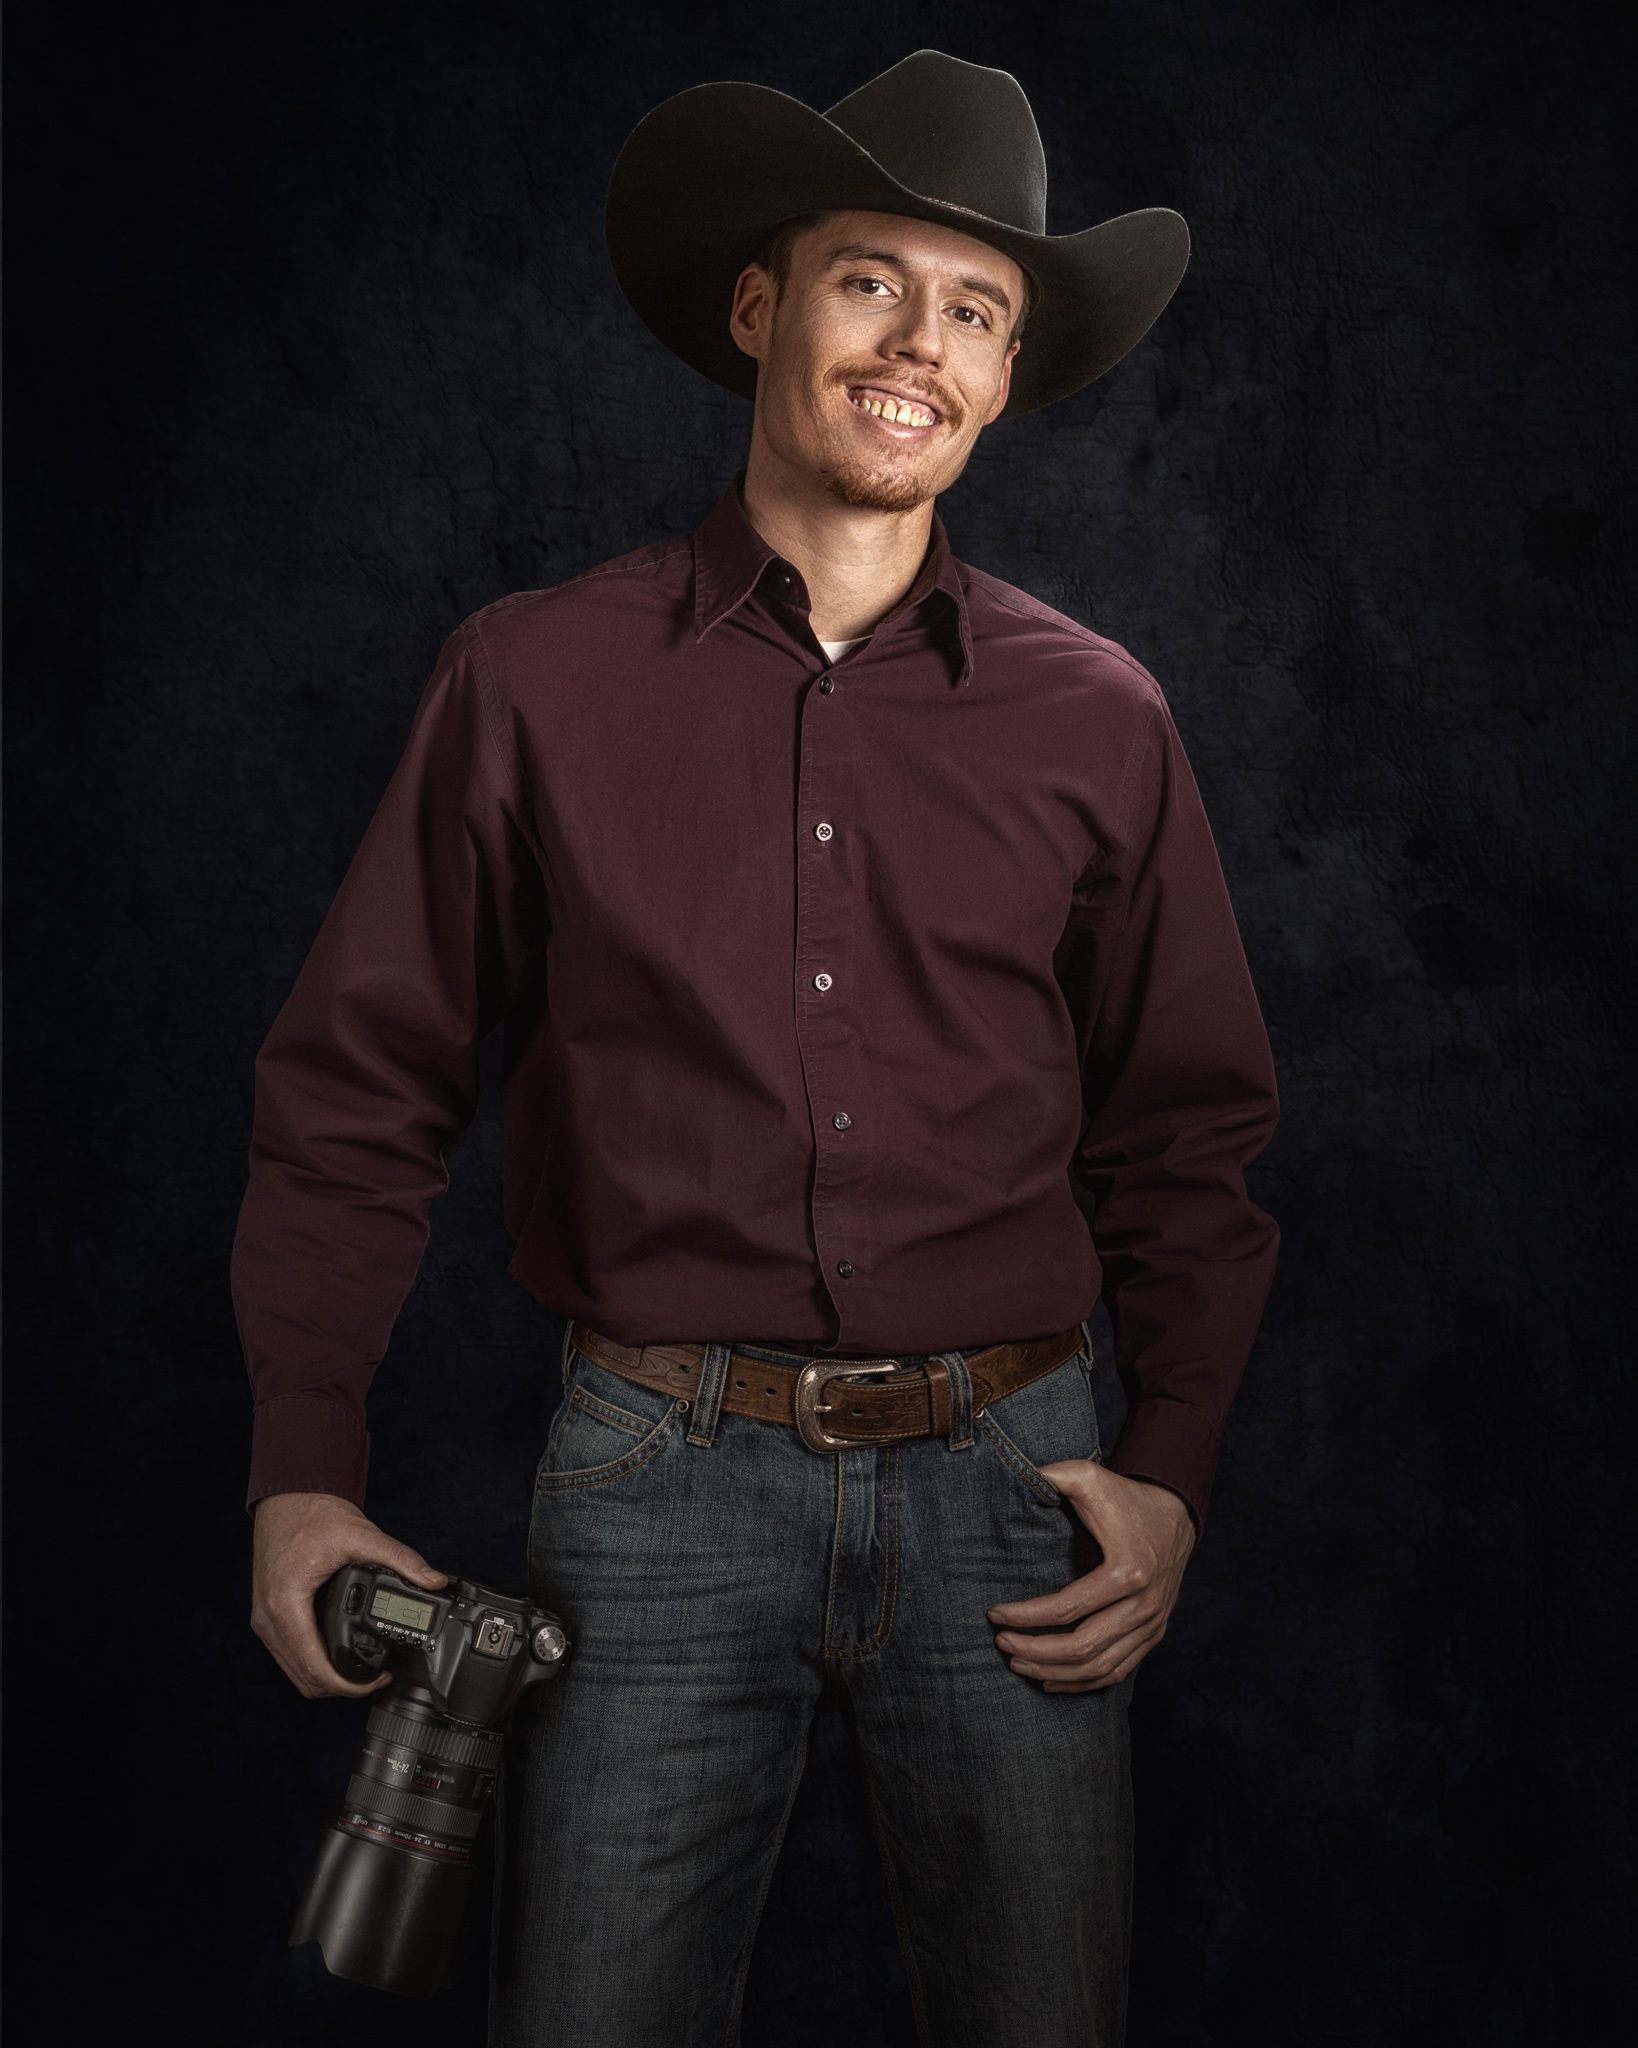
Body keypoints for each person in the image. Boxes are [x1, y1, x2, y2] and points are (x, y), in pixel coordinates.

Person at [238, 50, 1279, 2047]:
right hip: (653, 1482)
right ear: (757, 308)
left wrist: (1169, 1467)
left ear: (1004, 373)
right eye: (870, 281)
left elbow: (1187, 1129)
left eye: (973, 309)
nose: (918, 345)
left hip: (1017, 1484)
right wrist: (301, 1464)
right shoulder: (529, 679)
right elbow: (356, 1093)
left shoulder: (1102, 715)